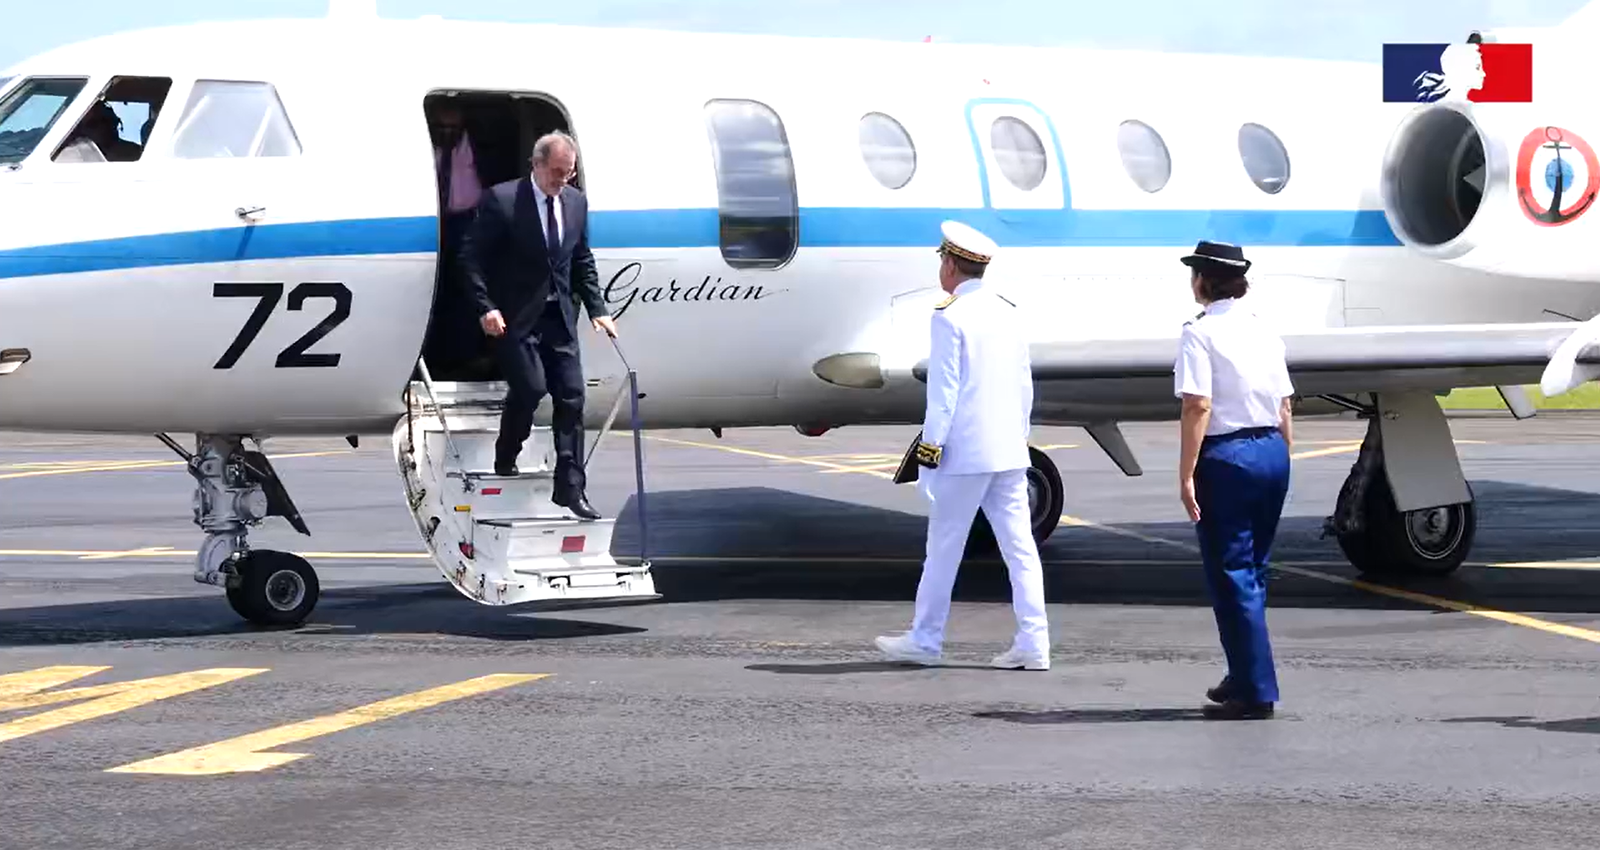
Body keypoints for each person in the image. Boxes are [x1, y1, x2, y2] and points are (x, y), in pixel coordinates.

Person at [875, 221, 1051, 671]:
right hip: (1010, 451)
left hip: (965, 454)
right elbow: (1024, 384)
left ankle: (925, 639)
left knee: (944, 548)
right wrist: (1021, 439)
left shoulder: (950, 317)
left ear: (951, 265)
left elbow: (943, 394)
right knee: (1020, 549)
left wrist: (929, 455)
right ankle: (1035, 643)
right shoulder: (1008, 311)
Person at [457, 130, 618, 521]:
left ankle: (570, 488)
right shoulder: (504, 200)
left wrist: (598, 308)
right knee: (530, 388)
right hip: (516, 317)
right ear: (538, 165)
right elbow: (470, 259)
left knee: (573, 397)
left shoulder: (576, 203)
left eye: (570, 173)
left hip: (560, 315)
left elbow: (581, 259)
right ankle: (507, 449)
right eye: (557, 173)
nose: (564, 181)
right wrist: (486, 307)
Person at [1173, 239, 1295, 720]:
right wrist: (1282, 456)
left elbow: (1196, 405)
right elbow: (1285, 405)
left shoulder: (1199, 333)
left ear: (1202, 281)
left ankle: (1255, 692)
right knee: (1253, 570)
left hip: (1228, 455)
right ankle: (1244, 673)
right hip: (1271, 449)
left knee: (1231, 573)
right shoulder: (1264, 330)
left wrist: (1186, 474)